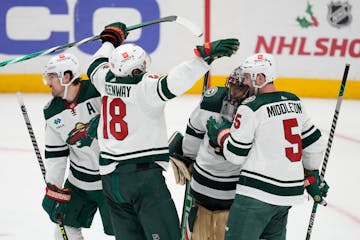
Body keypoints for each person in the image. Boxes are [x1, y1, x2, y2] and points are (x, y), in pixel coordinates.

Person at [86, 21, 239, 239]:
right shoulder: (144, 88)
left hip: (111, 180)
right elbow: (174, 82)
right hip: (142, 179)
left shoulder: (103, 79)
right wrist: (202, 59)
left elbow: (94, 64)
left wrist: (110, 39)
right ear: (137, 69)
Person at [206, 53, 329, 240]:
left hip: (256, 195)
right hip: (287, 195)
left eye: (248, 76)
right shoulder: (294, 101)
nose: (244, 81)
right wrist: (311, 173)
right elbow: (314, 143)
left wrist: (222, 135)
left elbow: (235, 155)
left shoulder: (250, 108)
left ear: (261, 78)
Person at [169, 65, 251, 240]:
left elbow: (193, 130)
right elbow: (194, 131)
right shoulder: (256, 110)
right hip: (217, 187)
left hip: (224, 190)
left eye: (241, 87)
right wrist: (189, 159)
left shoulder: (214, 101)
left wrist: (189, 157)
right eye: (233, 85)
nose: (235, 92)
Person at [41, 53, 113, 239]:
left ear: (66, 77)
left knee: (125, 231)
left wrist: (111, 43)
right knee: (64, 229)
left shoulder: (99, 91)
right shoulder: (52, 111)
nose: (48, 82)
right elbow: (55, 155)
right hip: (78, 183)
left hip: (111, 181)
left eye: (52, 77)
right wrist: (53, 187)